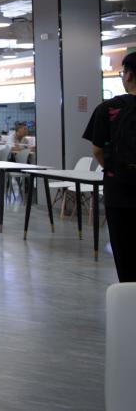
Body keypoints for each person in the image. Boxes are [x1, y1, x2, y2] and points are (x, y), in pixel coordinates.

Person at [83, 50, 136, 282]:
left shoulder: (108, 108)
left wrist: (113, 170)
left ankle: (129, 298)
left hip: (120, 193)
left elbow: (97, 150)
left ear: (129, 75)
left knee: (125, 256)